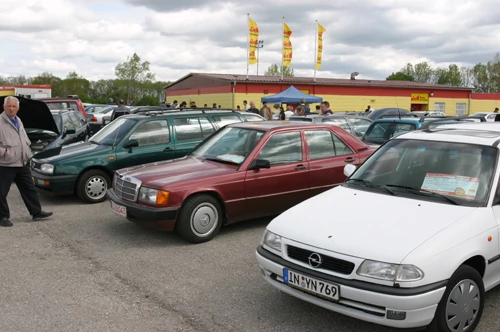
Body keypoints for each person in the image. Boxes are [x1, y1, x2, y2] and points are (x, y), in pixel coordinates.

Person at [0, 96, 53, 227]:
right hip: (6, 163)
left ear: (17, 108)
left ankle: (36, 212)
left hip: (21, 161)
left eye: (14, 106)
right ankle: (3, 217)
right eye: (9, 106)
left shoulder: (18, 120)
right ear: (4, 107)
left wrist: (27, 151)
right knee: (1, 192)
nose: (11, 109)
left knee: (29, 188)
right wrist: (4, 152)